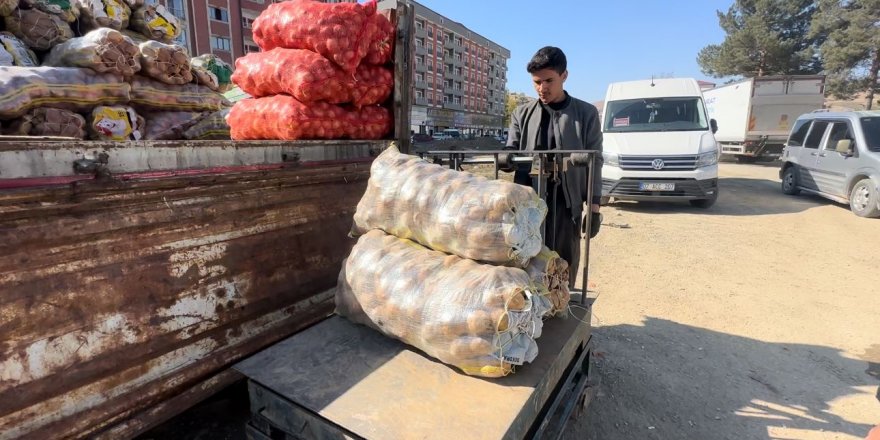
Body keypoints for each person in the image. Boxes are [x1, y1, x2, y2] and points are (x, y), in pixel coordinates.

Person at [505, 46, 603, 288]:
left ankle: (562, 311)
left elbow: (595, 160)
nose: (542, 88)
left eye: (549, 80)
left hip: (565, 202)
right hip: (528, 203)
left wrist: (594, 208)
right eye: (536, 82)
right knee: (524, 260)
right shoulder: (521, 114)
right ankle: (528, 317)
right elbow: (511, 150)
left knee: (563, 264)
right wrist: (505, 159)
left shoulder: (586, 114)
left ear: (564, 76)